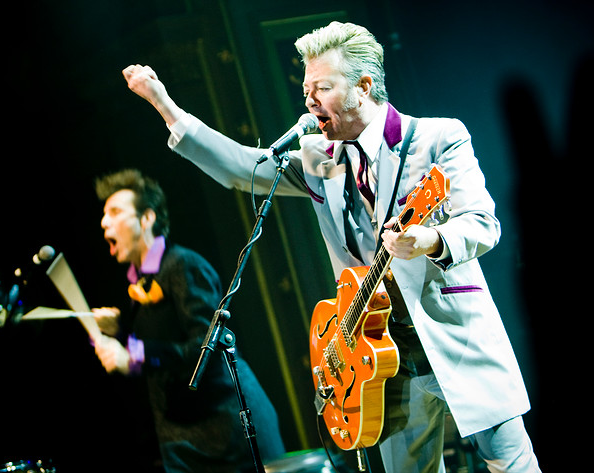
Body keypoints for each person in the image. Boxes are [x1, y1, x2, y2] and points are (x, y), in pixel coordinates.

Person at [121, 21, 540, 473]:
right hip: (377, 360)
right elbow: (242, 168)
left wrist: (431, 239)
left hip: (453, 336)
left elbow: (482, 223)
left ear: (362, 87)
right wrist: (166, 107)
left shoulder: (437, 138)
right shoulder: (318, 160)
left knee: (512, 465)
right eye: (306, 89)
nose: (309, 99)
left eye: (322, 87)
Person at [92, 169, 285, 472]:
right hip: (182, 441)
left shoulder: (183, 265)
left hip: (226, 433)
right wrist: (119, 332)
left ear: (146, 219)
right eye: (104, 215)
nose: (104, 222)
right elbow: (161, 346)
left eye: (115, 212)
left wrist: (132, 353)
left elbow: (203, 350)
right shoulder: (139, 282)